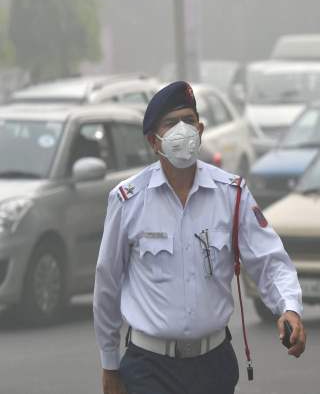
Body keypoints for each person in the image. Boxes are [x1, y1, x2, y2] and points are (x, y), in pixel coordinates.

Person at [93, 81, 306, 394]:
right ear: (153, 141)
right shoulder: (128, 200)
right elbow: (107, 283)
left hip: (213, 364)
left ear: (201, 130)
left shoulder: (231, 194)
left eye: (189, 121)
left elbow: (269, 260)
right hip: (150, 367)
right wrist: (109, 363)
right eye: (171, 123)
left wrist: (289, 308)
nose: (183, 130)